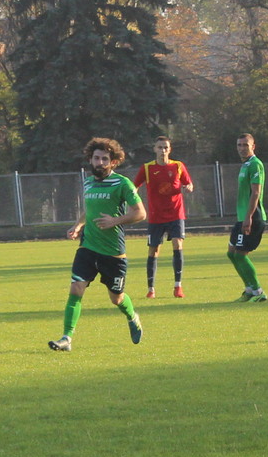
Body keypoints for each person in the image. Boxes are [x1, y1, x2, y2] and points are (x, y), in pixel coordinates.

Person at [48, 137, 146, 352]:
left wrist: (114, 221)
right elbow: (89, 209)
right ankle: (66, 338)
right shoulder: (88, 182)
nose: (100, 162)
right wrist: (78, 225)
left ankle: (132, 317)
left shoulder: (122, 183)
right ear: (90, 160)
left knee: (116, 298)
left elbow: (140, 213)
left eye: (104, 159)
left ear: (113, 162)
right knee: (76, 288)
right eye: (96, 158)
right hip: (88, 247)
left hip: (113, 252)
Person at [134, 136, 195, 299]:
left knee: (177, 243)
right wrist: (133, 198)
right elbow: (134, 187)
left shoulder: (178, 166)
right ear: (154, 149)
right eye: (160, 147)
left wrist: (188, 187)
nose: (163, 151)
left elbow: (188, 183)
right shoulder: (147, 168)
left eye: (166, 147)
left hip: (176, 213)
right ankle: (151, 289)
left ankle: (177, 286)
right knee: (154, 250)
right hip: (155, 216)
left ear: (170, 149)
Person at [226, 133, 268, 302]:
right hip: (241, 217)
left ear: (253, 146)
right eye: (239, 145)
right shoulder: (245, 165)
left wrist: (248, 217)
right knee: (232, 254)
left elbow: (256, 192)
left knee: (240, 255)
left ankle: (258, 292)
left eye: (245, 145)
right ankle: (249, 290)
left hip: (252, 217)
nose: (242, 148)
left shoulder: (255, 164)